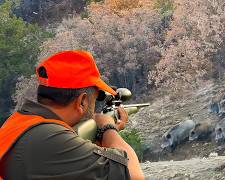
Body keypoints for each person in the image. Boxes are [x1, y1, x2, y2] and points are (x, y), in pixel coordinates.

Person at [0, 50, 144, 180]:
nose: (94, 106)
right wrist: (108, 129)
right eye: (94, 99)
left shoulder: (20, 123)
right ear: (82, 101)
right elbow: (134, 175)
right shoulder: (51, 138)